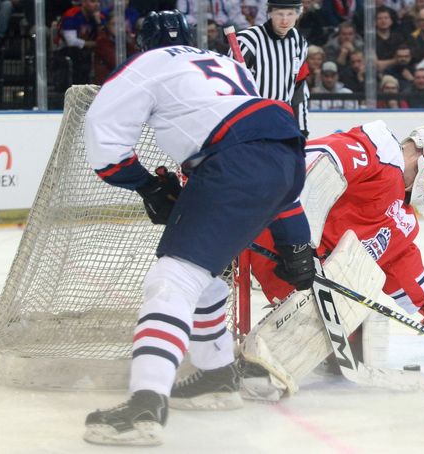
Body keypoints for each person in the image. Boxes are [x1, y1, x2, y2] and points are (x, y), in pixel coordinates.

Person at [82, 10, 314, 446]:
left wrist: (147, 185)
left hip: (231, 164)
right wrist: (296, 244)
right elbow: (266, 154)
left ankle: (145, 405)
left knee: (170, 282)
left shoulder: (148, 63)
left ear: (141, 40)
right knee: (203, 278)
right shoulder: (225, 64)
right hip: (285, 155)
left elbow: (104, 139)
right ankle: (216, 374)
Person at [231, 121, 424, 400]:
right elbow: (316, 161)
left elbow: (399, 264)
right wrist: (297, 240)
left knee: (363, 298)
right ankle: (257, 362)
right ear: (422, 156)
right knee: (345, 291)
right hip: (274, 230)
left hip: (300, 270)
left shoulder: (400, 219)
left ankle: (298, 360)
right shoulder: (378, 149)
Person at [230, 0, 310, 136]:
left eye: (290, 14)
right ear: (269, 12)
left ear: (298, 14)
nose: (284, 20)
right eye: (279, 14)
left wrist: (302, 129)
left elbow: (299, 88)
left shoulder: (299, 42)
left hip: (283, 121)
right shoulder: (248, 40)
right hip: (249, 121)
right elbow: (231, 86)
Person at [56, 0, 104, 85]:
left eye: (98, 2)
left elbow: (104, 39)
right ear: (84, 2)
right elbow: (71, 42)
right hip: (67, 50)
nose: (97, 4)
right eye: (93, 1)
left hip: (90, 50)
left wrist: (98, 22)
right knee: (78, 54)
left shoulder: (99, 16)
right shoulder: (71, 15)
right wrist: (93, 44)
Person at [93, 14, 137, 85]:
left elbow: (136, 56)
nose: (118, 28)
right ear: (107, 25)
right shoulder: (102, 41)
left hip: (123, 79)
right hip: (106, 82)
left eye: (121, 24)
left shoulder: (125, 38)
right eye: (114, 24)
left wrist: (128, 38)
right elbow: (116, 62)